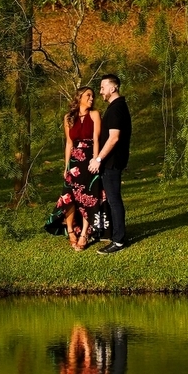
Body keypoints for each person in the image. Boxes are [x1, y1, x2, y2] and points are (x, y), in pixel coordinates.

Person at [44, 86, 109, 251]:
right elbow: (69, 144)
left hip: (88, 161)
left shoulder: (94, 114)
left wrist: (95, 161)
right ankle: (71, 230)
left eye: (93, 96)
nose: (92, 98)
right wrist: (66, 166)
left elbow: (96, 139)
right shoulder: (68, 118)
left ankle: (84, 233)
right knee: (69, 196)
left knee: (88, 196)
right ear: (79, 97)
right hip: (74, 163)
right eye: (88, 95)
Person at [89, 74, 132, 254]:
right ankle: (113, 233)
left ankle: (119, 241)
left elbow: (114, 139)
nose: (100, 92)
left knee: (114, 201)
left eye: (102, 87)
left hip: (112, 162)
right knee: (113, 200)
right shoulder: (116, 107)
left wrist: (98, 159)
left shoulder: (116, 109)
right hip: (111, 162)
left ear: (113, 88)